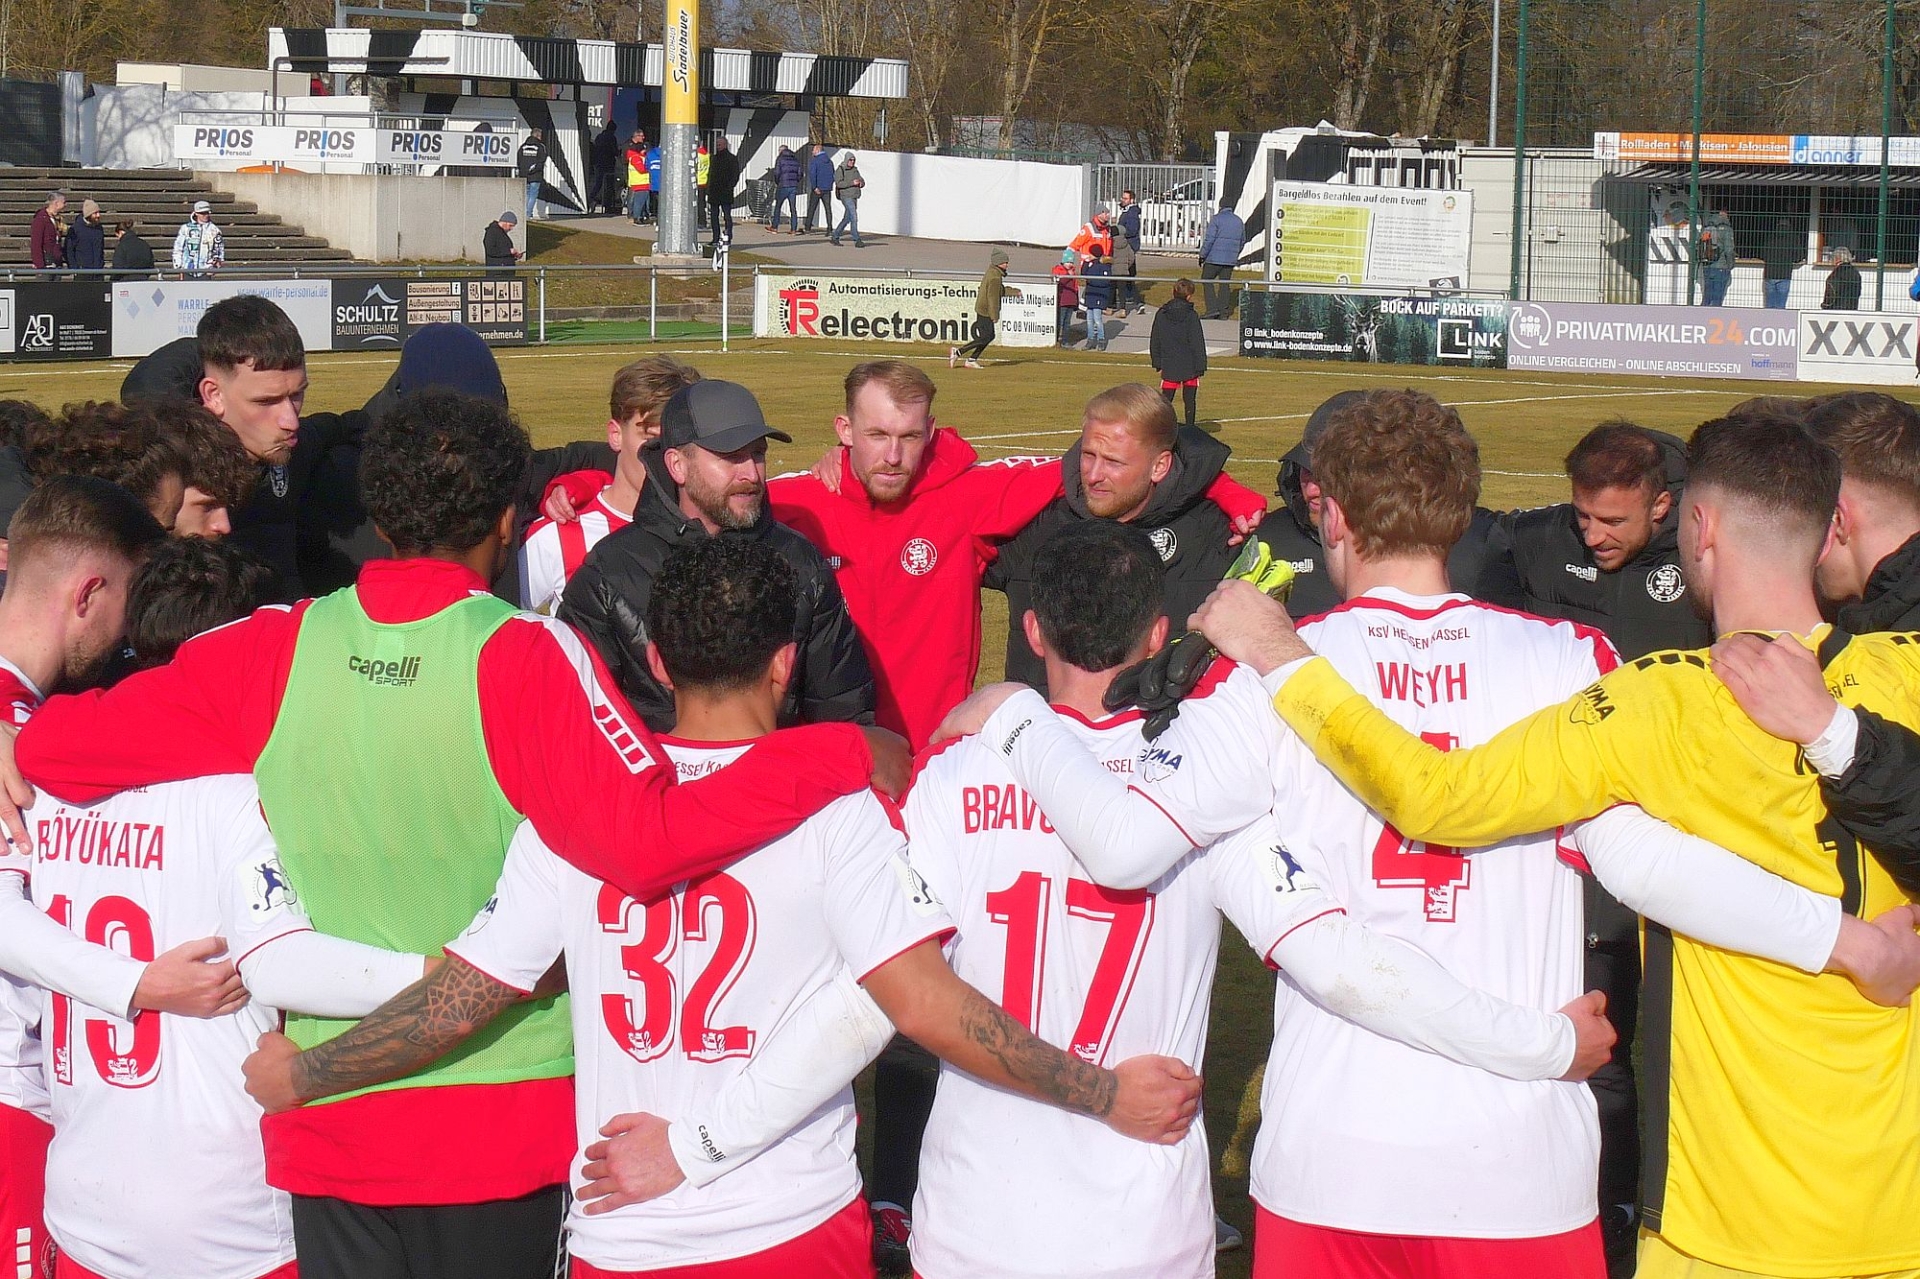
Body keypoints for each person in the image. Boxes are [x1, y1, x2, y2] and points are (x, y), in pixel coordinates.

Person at [938, 396, 1919, 1279]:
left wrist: (1015, 713)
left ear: (1329, 514)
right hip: (1521, 1163)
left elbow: (1122, 845)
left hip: (1334, 1158)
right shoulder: (1567, 657)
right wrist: (1844, 941)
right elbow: (1643, 862)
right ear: (1463, 512)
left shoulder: (1264, 670)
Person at [1, 387, 899, 1279]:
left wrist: (12, 729)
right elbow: (648, 840)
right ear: (507, 521)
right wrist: (839, 750)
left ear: (383, 518)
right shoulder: (529, 656)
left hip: (331, 1130)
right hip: (498, 1130)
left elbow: (60, 746)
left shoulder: (272, 648)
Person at [239, 533, 1204, 1276]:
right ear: (787, 662)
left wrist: (310, 1071)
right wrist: (1101, 1092)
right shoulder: (838, 810)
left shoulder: (575, 816)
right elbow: (917, 1002)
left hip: (624, 1232)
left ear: (658, 660)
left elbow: (466, 993)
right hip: (788, 1225)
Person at [0, 509, 432, 1279]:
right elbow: (283, 961)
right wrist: (456, 978)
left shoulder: (37, 775)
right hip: (229, 1220)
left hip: (87, 1206)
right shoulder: (245, 792)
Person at [0, 478, 166, 1279]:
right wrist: (139, 983)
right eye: (130, 601)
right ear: (89, 592)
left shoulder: (30, 725)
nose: (131, 631)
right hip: (13, 1101)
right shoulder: (23, 742)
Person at [559, 379, 876, 733]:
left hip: (777, 768)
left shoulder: (800, 562)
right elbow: (572, 718)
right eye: (731, 457)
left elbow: (845, 713)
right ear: (677, 465)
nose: (751, 474)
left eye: (758, 454)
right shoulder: (610, 571)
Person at [985, 384, 1244, 693]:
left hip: (1164, 722)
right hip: (1044, 722)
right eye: (1088, 455)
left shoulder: (1217, 535)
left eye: (1113, 462)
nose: (1093, 475)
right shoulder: (1038, 525)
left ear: (1159, 466)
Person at [1255, 391, 1521, 619]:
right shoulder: (1267, 538)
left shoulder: (1477, 542)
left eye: (1324, 479)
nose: (1313, 491)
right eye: (1305, 472)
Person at [519, 355, 701, 613]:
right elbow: (503, 624)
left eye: (678, 442)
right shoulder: (557, 536)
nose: (665, 455)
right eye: (651, 439)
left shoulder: (714, 527)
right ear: (616, 435)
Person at [1150, 279, 1207, 426]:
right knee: (1190, 401)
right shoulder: (1191, 315)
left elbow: (1155, 338)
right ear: (1189, 296)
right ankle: (1190, 428)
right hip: (1189, 364)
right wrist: (1201, 365)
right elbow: (1197, 341)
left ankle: (1162, 428)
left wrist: (1157, 361)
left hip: (1169, 362)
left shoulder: (1162, 313)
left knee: (1166, 401)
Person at [951, 249, 1010, 368]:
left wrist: (1013, 292)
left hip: (982, 308)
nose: (1007, 265)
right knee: (986, 337)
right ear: (998, 262)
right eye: (1005, 262)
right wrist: (994, 315)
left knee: (988, 336)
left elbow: (998, 291)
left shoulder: (992, 272)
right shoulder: (995, 277)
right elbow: (992, 298)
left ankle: (971, 359)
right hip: (986, 310)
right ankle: (958, 352)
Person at [1198, 199, 1246, 319]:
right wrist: (1235, 254)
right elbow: (1242, 241)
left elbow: (1209, 240)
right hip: (1230, 259)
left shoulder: (1216, 219)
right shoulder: (1239, 221)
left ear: (1220, 206)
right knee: (1225, 284)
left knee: (1207, 280)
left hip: (1213, 258)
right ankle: (1223, 311)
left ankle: (1212, 309)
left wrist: (1202, 255)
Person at [172, 200, 224, 276]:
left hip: (206, 271)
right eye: (202, 213)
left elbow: (219, 250)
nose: (206, 215)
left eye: (207, 213)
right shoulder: (186, 228)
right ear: (196, 213)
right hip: (187, 269)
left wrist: (215, 267)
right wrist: (178, 267)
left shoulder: (215, 230)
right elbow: (178, 248)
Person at [707, 134, 740, 247]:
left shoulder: (732, 159)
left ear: (725, 145)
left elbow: (735, 175)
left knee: (727, 216)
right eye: (717, 144)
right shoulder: (714, 158)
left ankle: (728, 237)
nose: (718, 146)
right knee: (714, 217)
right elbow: (710, 174)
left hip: (725, 192)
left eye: (720, 144)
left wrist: (730, 186)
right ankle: (715, 238)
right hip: (714, 192)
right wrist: (709, 189)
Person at [1761, 216, 1801, 309]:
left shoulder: (1770, 236)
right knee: (1781, 306)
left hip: (1770, 274)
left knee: (1769, 305)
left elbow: (1763, 254)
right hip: (1784, 274)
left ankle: (1769, 318)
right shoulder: (1793, 238)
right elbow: (1798, 257)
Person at [1698, 207, 1735, 306]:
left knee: (1707, 296)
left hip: (1707, 266)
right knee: (1717, 298)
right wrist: (1730, 265)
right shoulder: (1726, 228)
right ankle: (1714, 315)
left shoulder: (1706, 227)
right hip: (1721, 267)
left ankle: (1702, 314)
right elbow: (1729, 250)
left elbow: (1699, 245)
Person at [1115, 189, 1144, 313]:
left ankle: (1136, 303)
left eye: (1125, 198)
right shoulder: (1128, 211)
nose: (1122, 200)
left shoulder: (1131, 213)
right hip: (1126, 247)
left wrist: (1118, 231)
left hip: (1127, 248)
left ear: (1131, 200)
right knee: (1128, 277)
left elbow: (1131, 230)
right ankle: (1134, 301)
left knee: (1126, 276)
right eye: (1122, 198)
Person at [831, 150, 866, 248]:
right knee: (854, 217)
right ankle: (857, 239)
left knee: (847, 218)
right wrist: (852, 183)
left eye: (854, 160)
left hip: (854, 196)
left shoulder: (855, 170)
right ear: (846, 160)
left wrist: (861, 183)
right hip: (846, 196)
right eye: (850, 160)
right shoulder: (840, 169)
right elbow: (839, 183)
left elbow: (861, 179)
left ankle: (835, 236)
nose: (852, 162)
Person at [1081, 249, 1113, 351]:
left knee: (1097, 319)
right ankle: (1090, 340)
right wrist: (1085, 263)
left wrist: (1091, 280)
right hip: (1090, 295)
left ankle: (1101, 340)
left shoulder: (1105, 267)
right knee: (1089, 319)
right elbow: (1083, 274)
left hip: (1099, 296)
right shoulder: (1091, 265)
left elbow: (1104, 282)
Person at [62, 199, 105, 273]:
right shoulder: (76, 229)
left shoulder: (99, 228)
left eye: (98, 212)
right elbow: (69, 250)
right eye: (95, 213)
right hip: (82, 271)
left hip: (98, 271)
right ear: (88, 214)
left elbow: (101, 248)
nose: (98, 215)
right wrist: (74, 268)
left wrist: (100, 264)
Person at [516, 128, 548, 221]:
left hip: (524, 175)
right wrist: (533, 169)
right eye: (540, 136)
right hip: (535, 175)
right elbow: (542, 161)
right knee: (533, 195)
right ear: (538, 136)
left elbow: (518, 160)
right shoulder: (540, 147)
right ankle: (528, 214)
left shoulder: (523, 146)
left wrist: (522, 171)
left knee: (526, 195)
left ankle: (525, 214)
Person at [590, 119, 621, 214]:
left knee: (598, 183)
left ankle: (590, 199)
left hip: (599, 163)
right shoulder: (612, 138)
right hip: (608, 164)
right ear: (613, 130)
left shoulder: (599, 137)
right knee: (609, 185)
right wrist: (618, 152)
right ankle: (608, 205)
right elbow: (614, 151)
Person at [771, 143, 802, 233]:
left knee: (778, 206)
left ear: (781, 151)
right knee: (793, 208)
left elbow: (777, 172)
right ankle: (793, 229)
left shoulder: (780, 159)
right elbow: (800, 173)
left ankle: (775, 227)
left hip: (783, 185)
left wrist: (777, 182)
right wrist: (796, 181)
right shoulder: (795, 159)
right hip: (793, 186)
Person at [30, 191, 65, 272]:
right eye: (63, 202)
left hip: (56, 260)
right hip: (46, 260)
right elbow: (36, 243)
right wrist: (40, 265)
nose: (65, 205)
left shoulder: (57, 219)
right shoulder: (41, 219)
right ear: (56, 203)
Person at [807, 142, 837, 235]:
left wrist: (815, 186)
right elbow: (833, 175)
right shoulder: (830, 161)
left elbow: (812, 174)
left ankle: (807, 227)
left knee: (812, 208)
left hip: (817, 188)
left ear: (818, 150)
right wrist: (829, 185)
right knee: (828, 208)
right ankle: (829, 228)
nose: (812, 152)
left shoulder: (815, 161)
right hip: (827, 189)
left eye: (813, 150)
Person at [1053, 250, 1081, 347]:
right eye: (1068, 262)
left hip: (1071, 301)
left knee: (1067, 322)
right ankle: (1056, 340)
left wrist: (1076, 301)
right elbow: (1059, 283)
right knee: (1060, 321)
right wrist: (1068, 275)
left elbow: (1075, 287)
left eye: (1071, 262)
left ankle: (1065, 341)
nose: (1070, 264)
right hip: (1062, 301)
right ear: (1063, 261)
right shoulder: (1058, 270)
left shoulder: (1073, 272)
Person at [1823, 246, 1863, 310]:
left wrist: (1825, 305)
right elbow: (1858, 293)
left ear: (1837, 258)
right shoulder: (1856, 273)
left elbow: (1831, 294)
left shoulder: (1836, 274)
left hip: (1836, 309)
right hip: (1852, 308)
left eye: (1832, 258)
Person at [626, 129, 652, 223]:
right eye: (641, 136)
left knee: (642, 201)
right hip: (639, 182)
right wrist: (650, 168)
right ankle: (635, 217)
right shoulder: (635, 156)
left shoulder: (639, 155)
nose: (643, 138)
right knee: (637, 201)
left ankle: (642, 216)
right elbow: (641, 169)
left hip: (642, 182)